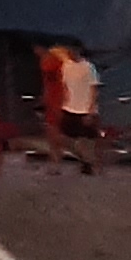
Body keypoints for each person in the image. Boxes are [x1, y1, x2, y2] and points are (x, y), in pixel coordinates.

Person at [40, 43, 100, 172]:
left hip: (84, 108)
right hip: (69, 107)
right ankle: (84, 158)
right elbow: (65, 87)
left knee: (88, 139)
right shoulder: (66, 67)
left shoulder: (89, 67)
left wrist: (91, 110)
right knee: (63, 137)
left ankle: (89, 164)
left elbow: (94, 89)